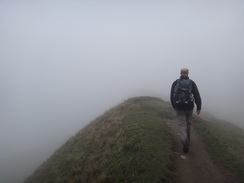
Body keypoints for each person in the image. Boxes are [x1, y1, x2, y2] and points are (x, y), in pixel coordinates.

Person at [170, 68, 202, 153]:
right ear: (188, 74)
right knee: (188, 124)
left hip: (179, 107)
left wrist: (174, 105)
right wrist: (198, 107)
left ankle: (185, 142)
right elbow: (197, 95)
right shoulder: (192, 83)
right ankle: (188, 139)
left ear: (180, 73)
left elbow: (172, 95)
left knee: (182, 125)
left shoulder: (175, 82)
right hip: (189, 107)